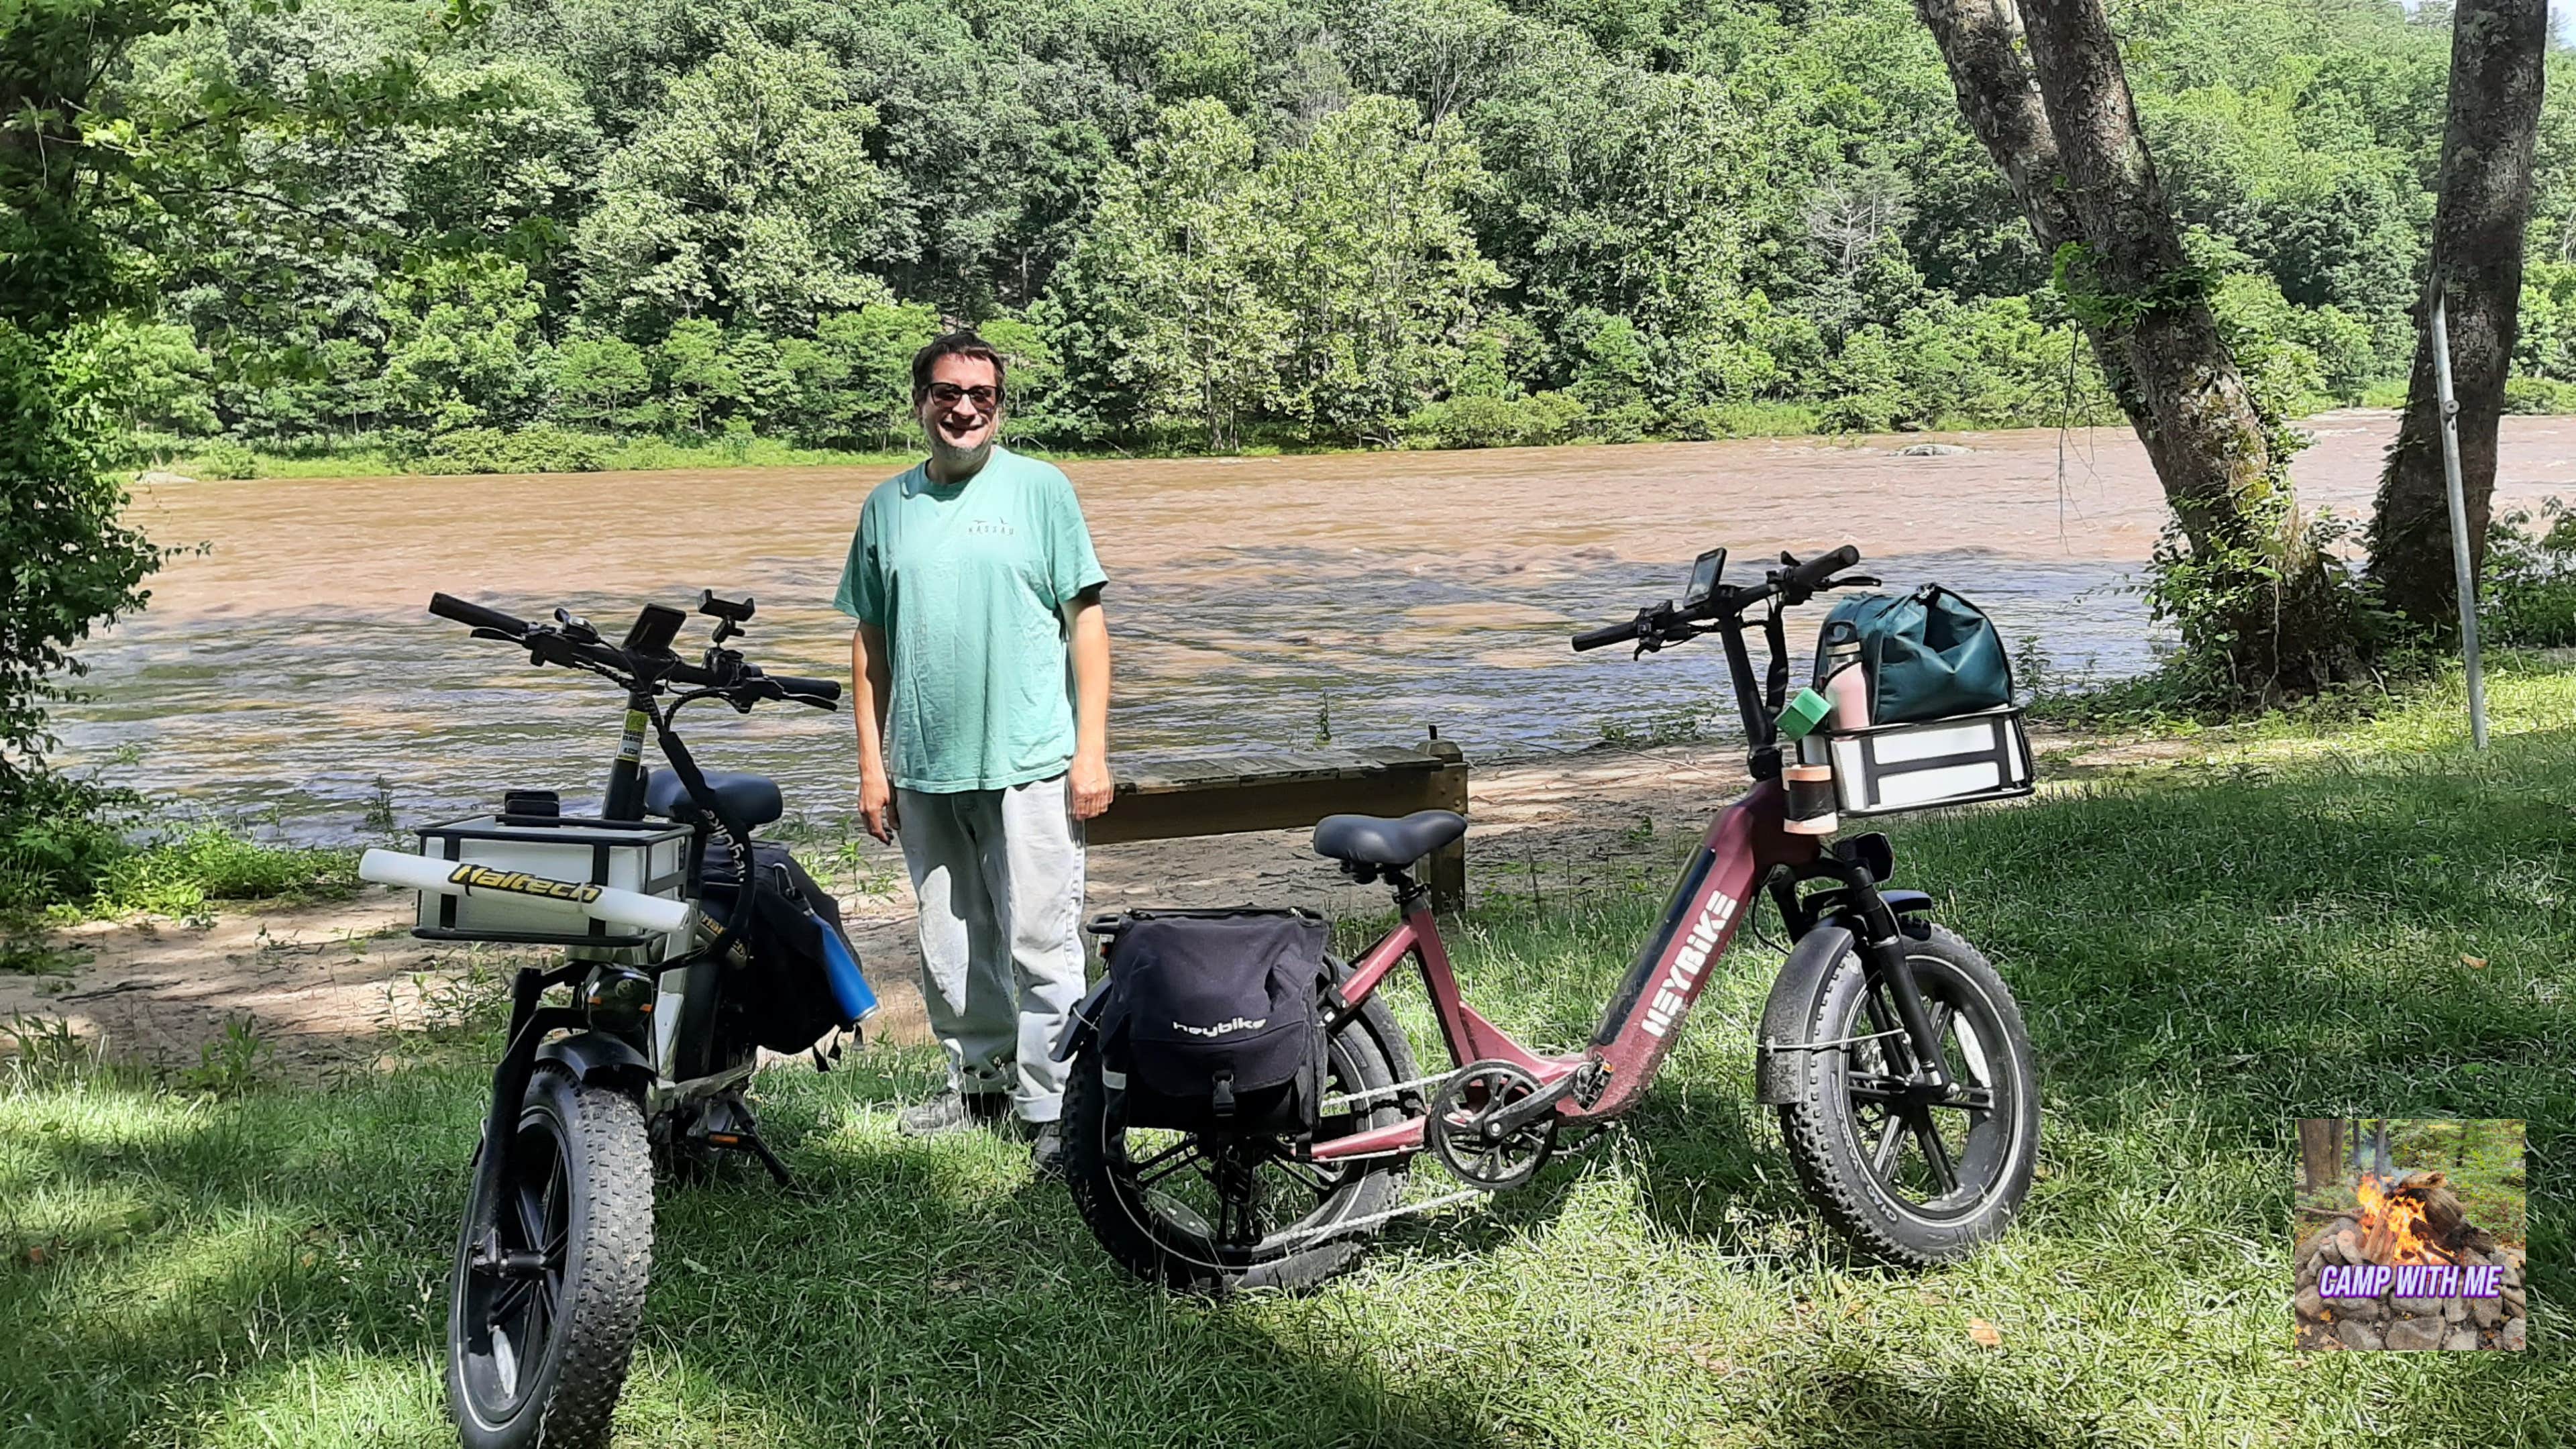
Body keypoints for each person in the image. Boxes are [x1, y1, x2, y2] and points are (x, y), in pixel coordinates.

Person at [835, 331, 1112, 1176]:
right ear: (919, 399)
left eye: (981, 396)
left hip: (1031, 757)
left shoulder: (1041, 491)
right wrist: (872, 766)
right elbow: (868, 644)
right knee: (948, 943)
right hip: (923, 765)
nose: (964, 408)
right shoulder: (888, 507)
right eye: (947, 393)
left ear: (998, 405)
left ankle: (1054, 1109)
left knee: (1040, 938)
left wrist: (1091, 752)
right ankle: (978, 1083)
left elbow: (1086, 627)